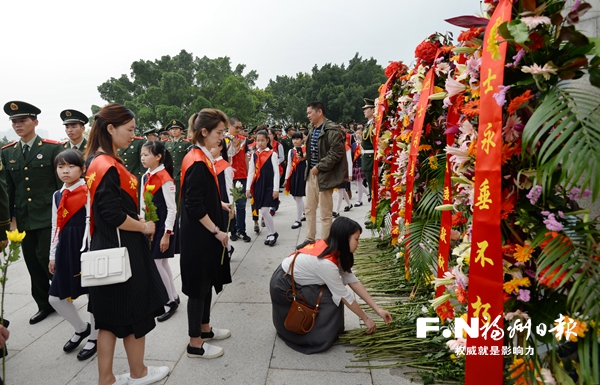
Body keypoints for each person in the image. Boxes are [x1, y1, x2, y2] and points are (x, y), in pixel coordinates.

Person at [84, 103, 169, 385]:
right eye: (130, 129)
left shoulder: (99, 160)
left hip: (106, 246)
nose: (134, 135)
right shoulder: (107, 165)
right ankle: (138, 373)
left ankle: (106, 378)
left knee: (107, 318)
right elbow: (113, 215)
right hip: (121, 248)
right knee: (136, 312)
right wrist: (144, 226)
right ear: (111, 128)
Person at [270, 217, 392, 354]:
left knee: (333, 296)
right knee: (331, 299)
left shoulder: (335, 249)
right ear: (345, 239)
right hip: (283, 284)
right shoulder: (326, 263)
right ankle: (312, 337)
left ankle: (329, 330)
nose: (358, 243)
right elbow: (344, 296)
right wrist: (366, 319)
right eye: (356, 239)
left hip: (293, 277)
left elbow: (353, 281)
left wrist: (377, 309)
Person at [1, 100, 63, 324]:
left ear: (35, 122)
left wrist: (63, 217)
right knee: (32, 263)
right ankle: (43, 304)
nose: (18, 125)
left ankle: (62, 295)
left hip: (48, 215)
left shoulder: (52, 148)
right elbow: (7, 189)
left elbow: (61, 186)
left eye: (23, 121)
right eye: (14, 122)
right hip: (25, 218)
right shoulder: (8, 152)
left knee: (47, 258)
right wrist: (10, 221)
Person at [180, 109, 232, 360]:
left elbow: (201, 196)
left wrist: (218, 204)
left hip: (202, 232)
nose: (222, 137)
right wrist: (217, 230)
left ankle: (205, 329)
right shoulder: (198, 162)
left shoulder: (199, 156)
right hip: (199, 236)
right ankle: (195, 344)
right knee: (198, 288)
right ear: (204, 132)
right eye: (219, 132)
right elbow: (193, 204)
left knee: (207, 282)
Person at [48, 149, 98, 361]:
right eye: (61, 167)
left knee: (92, 295)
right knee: (55, 298)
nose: (65, 171)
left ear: (82, 169)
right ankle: (81, 327)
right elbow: (55, 225)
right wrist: (52, 255)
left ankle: (95, 337)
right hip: (64, 248)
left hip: (85, 246)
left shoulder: (88, 190)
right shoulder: (57, 194)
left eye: (71, 166)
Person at [296, 101, 347, 250]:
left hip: (324, 175)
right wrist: (305, 157)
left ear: (319, 112)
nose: (308, 116)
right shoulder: (312, 128)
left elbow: (336, 152)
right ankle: (309, 238)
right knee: (309, 208)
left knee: (325, 211)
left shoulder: (332, 129)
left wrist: (319, 166)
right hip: (311, 173)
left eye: (310, 113)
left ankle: (325, 242)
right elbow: (316, 150)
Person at [140, 140, 180, 323]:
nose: (142, 158)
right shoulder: (145, 176)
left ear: (158, 157)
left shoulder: (165, 178)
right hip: (151, 224)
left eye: (146, 154)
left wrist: (167, 234)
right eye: (141, 155)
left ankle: (169, 300)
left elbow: (172, 209)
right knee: (161, 263)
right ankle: (172, 296)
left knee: (157, 263)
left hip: (164, 226)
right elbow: (143, 203)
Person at [247, 130, 280, 246]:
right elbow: (251, 172)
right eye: (258, 140)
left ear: (267, 140)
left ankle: (273, 232)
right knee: (262, 210)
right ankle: (271, 233)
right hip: (258, 185)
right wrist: (248, 188)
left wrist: (276, 189)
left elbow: (276, 173)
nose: (260, 143)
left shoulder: (272, 154)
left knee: (265, 210)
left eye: (262, 140)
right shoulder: (254, 155)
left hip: (269, 185)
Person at [225, 117, 251, 243]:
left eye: (241, 127)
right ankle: (232, 230)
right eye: (237, 127)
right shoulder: (222, 139)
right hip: (228, 176)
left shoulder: (243, 140)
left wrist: (249, 174)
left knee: (241, 205)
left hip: (241, 176)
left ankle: (241, 230)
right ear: (228, 126)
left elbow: (246, 157)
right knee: (230, 205)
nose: (239, 130)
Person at [211, 139, 235, 258]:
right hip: (212, 198)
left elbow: (230, 187)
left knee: (222, 228)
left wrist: (231, 206)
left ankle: (226, 250)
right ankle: (228, 248)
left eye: (213, 147)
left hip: (223, 199)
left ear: (221, 148)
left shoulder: (225, 166)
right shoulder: (207, 163)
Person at [164, 119, 192, 206]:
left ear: (181, 130)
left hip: (180, 174)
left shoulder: (186, 144)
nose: (174, 131)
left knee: (179, 198)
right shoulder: (167, 144)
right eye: (172, 129)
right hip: (169, 174)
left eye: (176, 129)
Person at [284, 132, 306, 229]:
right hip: (293, 174)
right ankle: (304, 212)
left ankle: (298, 219)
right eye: (293, 139)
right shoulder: (290, 151)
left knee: (298, 197)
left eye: (297, 139)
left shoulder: (305, 149)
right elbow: (289, 165)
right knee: (295, 196)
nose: (295, 141)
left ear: (302, 139)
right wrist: (286, 178)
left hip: (302, 174)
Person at [333, 123, 353, 217]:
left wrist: (350, 174)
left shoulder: (346, 148)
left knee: (340, 190)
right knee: (342, 189)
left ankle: (336, 210)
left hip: (344, 171)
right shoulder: (334, 147)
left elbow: (349, 161)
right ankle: (349, 204)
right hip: (337, 171)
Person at [361, 98, 376, 195]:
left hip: (370, 159)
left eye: (367, 109)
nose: (364, 111)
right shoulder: (368, 125)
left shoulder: (373, 125)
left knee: (373, 188)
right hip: (367, 159)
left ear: (373, 110)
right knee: (371, 187)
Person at [351, 132, 368, 207]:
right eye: (357, 133)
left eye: (359, 133)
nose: (358, 135)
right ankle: (368, 194)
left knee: (359, 183)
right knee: (356, 183)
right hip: (355, 165)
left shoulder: (364, 144)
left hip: (361, 165)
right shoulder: (354, 144)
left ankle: (359, 200)